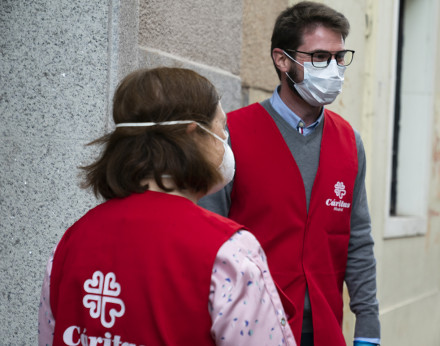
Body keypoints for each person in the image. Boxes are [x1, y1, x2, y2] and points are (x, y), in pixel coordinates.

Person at [38, 67, 296, 346]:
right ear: (193, 135)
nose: (225, 140)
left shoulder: (71, 241)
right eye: (222, 128)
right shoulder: (228, 250)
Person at [198, 2, 380, 345]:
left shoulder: (349, 143)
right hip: (247, 328)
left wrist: (368, 326)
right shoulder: (232, 135)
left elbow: (358, 241)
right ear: (282, 60)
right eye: (320, 57)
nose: (334, 69)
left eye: (340, 58)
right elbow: (207, 238)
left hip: (323, 330)